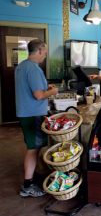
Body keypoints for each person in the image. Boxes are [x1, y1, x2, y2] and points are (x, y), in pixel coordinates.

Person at [15, 39, 58, 197]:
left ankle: (32, 176)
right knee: (33, 149)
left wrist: (46, 88)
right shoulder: (33, 69)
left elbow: (32, 88)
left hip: (25, 112)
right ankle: (27, 186)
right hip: (33, 114)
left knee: (34, 147)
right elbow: (39, 95)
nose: (45, 55)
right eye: (45, 52)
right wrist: (52, 92)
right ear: (39, 50)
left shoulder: (22, 66)